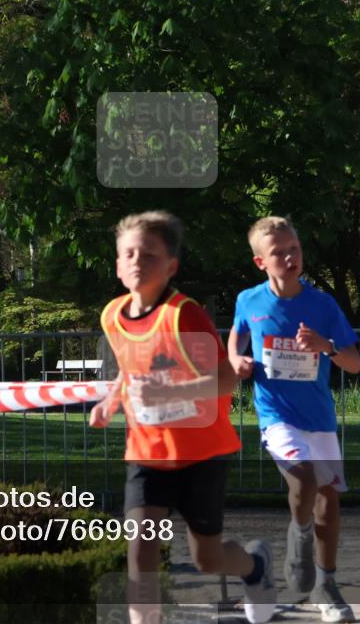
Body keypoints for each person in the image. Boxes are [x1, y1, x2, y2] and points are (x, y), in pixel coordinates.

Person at [89, 211, 277, 624]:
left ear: (171, 266)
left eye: (149, 255)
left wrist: (168, 392)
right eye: (129, 254)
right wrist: (111, 401)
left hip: (201, 453)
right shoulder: (112, 316)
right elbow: (129, 369)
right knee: (141, 552)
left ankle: (255, 566)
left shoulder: (183, 315)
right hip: (147, 453)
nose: (137, 262)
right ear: (118, 265)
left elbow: (225, 380)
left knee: (207, 559)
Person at [227, 216, 360, 623]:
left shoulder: (322, 305)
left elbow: (354, 363)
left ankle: (326, 586)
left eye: (295, 249)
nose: (289, 257)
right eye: (279, 252)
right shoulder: (249, 300)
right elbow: (238, 334)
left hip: (318, 417)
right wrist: (235, 358)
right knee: (302, 479)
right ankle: (299, 538)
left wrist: (326, 346)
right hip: (276, 415)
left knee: (328, 502)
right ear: (260, 262)